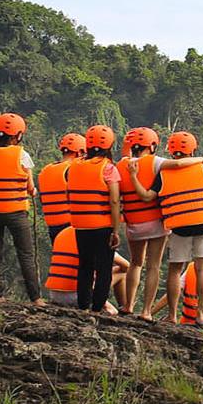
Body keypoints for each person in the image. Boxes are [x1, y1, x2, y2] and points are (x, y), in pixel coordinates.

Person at [132, 131, 203, 328]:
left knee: (175, 270)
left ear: (170, 150)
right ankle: (202, 315)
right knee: (202, 268)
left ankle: (172, 316)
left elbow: (148, 197)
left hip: (179, 226)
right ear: (193, 149)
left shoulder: (163, 172)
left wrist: (133, 177)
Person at [0, 113, 44, 305]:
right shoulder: (21, 155)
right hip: (15, 211)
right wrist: (34, 191)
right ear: (18, 135)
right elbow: (30, 187)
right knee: (25, 253)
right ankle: (36, 298)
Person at [66, 125, 125, 312]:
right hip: (102, 225)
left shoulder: (74, 165)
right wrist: (116, 230)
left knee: (85, 266)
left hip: (80, 225)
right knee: (103, 268)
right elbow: (114, 200)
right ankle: (97, 308)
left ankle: (83, 306)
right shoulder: (108, 168)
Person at [119, 127, 168, 318]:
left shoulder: (122, 164)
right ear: (153, 145)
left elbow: (125, 156)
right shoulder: (157, 162)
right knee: (153, 265)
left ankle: (128, 305)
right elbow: (179, 164)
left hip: (134, 224)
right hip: (156, 223)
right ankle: (147, 311)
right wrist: (200, 159)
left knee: (135, 263)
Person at [45, 225, 130, 311]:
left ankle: (117, 306)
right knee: (122, 273)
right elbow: (127, 266)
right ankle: (124, 307)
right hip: (78, 294)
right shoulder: (92, 235)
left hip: (54, 294)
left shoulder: (62, 234)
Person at [38, 133, 87, 241]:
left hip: (53, 227)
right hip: (71, 225)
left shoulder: (46, 170)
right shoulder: (73, 169)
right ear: (80, 152)